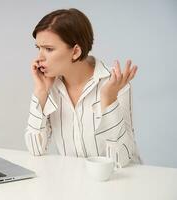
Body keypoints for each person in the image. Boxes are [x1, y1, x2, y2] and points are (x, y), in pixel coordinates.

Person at [24, 8, 141, 167]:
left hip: (118, 183)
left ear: (76, 51)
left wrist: (109, 99)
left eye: (49, 49)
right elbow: (35, 149)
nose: (40, 58)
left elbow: (121, 159)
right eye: (39, 48)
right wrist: (41, 91)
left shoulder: (114, 83)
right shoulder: (49, 86)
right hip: (75, 183)